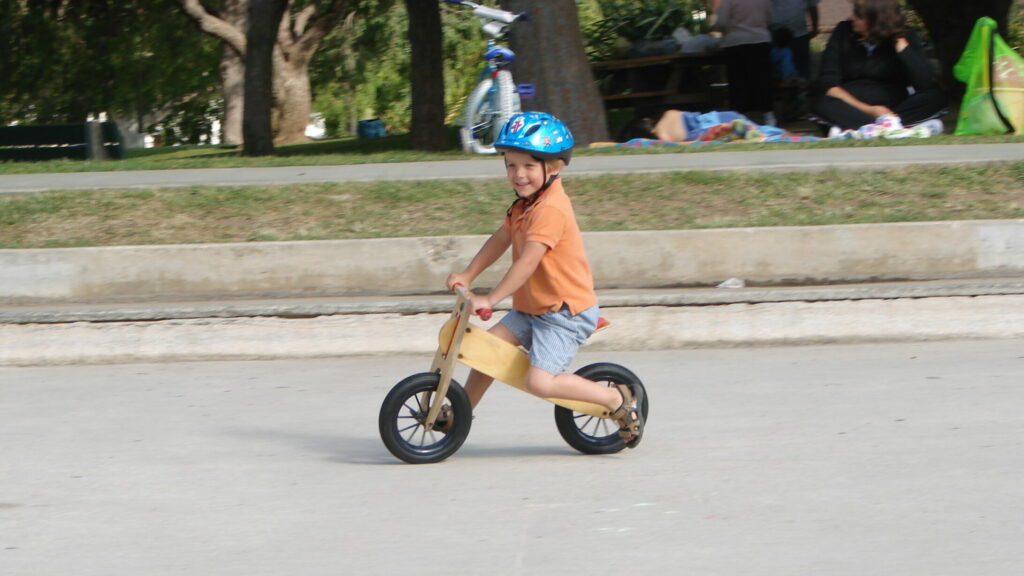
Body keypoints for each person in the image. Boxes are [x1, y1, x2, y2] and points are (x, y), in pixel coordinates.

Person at [445, 111, 644, 447]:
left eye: (528, 166)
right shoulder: (524, 205)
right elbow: (500, 239)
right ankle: (460, 413)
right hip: (533, 307)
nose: (518, 174)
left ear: (553, 168)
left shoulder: (551, 209)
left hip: (563, 313)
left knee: (540, 382)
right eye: (511, 165)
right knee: (486, 353)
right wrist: (467, 274)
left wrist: (490, 299)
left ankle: (616, 400)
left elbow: (526, 263)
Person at [811, 0, 947, 131]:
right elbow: (828, 85)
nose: (852, 18)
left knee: (936, 97)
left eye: (859, 15)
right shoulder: (843, 32)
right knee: (821, 104)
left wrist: (901, 46)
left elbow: (924, 83)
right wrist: (871, 111)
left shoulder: (906, 35)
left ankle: (873, 128)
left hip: (894, 106)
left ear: (877, 19)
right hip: (852, 105)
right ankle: (891, 128)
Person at [712, 0, 777, 126]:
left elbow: (722, 22)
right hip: (760, 40)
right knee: (762, 79)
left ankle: (740, 117)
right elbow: (770, 19)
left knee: (738, 81)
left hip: (736, 42)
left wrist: (717, 28)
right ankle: (768, 114)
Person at [618, 109, 787, 142]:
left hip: (701, 132)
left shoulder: (662, 140)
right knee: (767, 131)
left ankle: (735, 129)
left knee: (713, 134)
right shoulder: (668, 114)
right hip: (721, 115)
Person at [771, 0, 820, 80]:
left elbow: (812, 5)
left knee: (802, 74)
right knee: (777, 74)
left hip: (799, 35)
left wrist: (815, 28)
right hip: (776, 35)